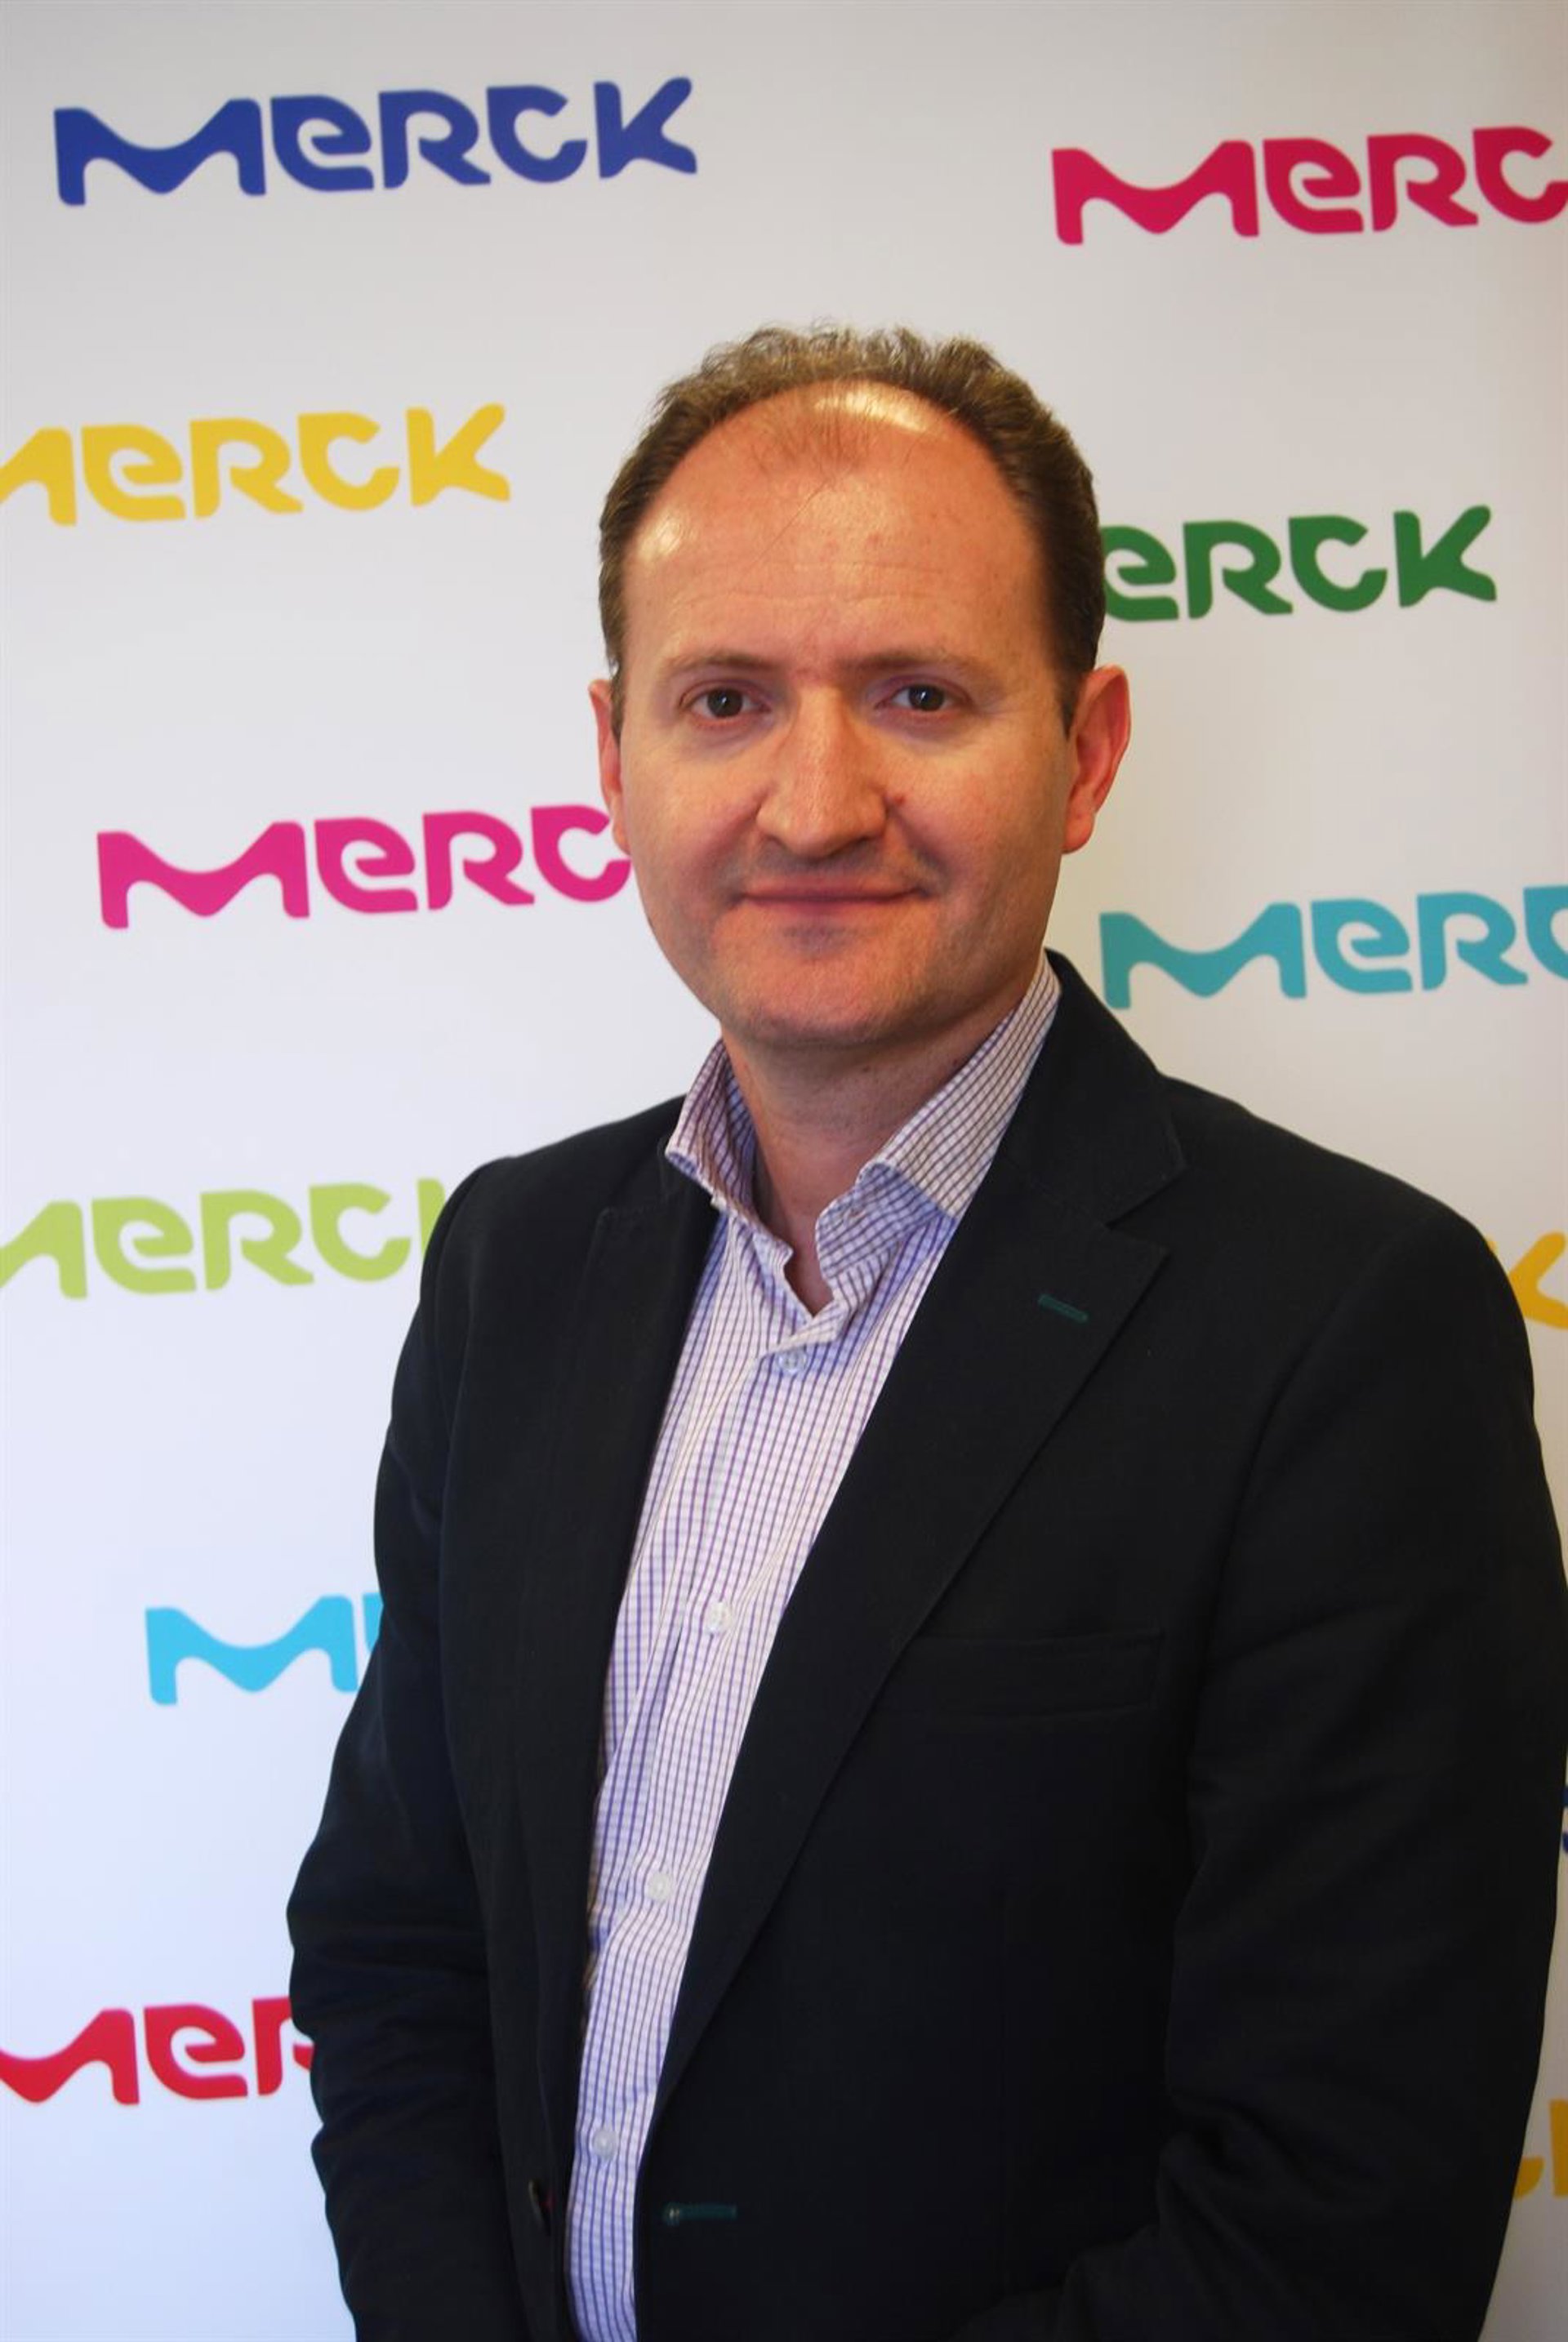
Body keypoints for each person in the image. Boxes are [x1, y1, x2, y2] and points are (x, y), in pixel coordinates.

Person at [288, 326, 1566, 2342]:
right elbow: (398, 1945)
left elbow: (1339, 2224)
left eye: (919, 694)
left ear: (1087, 749)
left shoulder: (1346, 1332)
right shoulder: (516, 1266)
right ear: (616, 754)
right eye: (726, 700)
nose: (816, 802)